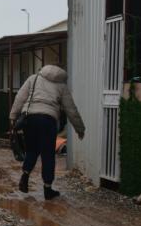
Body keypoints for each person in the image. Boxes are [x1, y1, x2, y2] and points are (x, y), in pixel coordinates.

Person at [9, 64, 85, 200]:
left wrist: (13, 116)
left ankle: (25, 177)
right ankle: (48, 189)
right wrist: (80, 129)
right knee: (48, 155)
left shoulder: (33, 78)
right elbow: (71, 109)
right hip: (48, 121)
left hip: (30, 119)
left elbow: (20, 97)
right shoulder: (62, 87)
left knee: (31, 150)